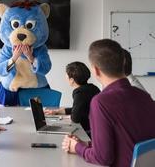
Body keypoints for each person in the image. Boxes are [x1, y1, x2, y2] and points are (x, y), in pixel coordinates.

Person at [62, 39, 155, 167]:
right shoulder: (145, 96)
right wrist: (87, 145)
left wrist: (77, 148)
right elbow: (126, 141)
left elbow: (102, 158)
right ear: (123, 64)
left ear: (95, 70)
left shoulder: (101, 102)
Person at [44, 62, 100, 135]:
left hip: (86, 131)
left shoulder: (79, 93)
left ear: (72, 80)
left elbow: (75, 118)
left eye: (66, 75)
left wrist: (63, 119)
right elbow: (79, 108)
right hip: (95, 128)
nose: (65, 77)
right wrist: (57, 112)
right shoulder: (93, 87)